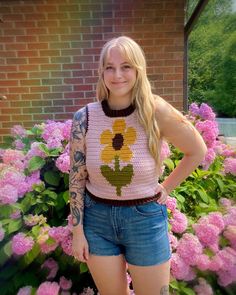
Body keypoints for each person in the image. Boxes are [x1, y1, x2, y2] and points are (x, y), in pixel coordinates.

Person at [69, 36, 207, 295]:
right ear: (101, 71)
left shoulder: (155, 110)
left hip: (145, 220)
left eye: (126, 66)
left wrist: (166, 188)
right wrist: (77, 231)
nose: (117, 74)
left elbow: (197, 150)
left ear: (138, 70)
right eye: (109, 67)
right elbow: (76, 178)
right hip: (97, 222)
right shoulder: (84, 118)